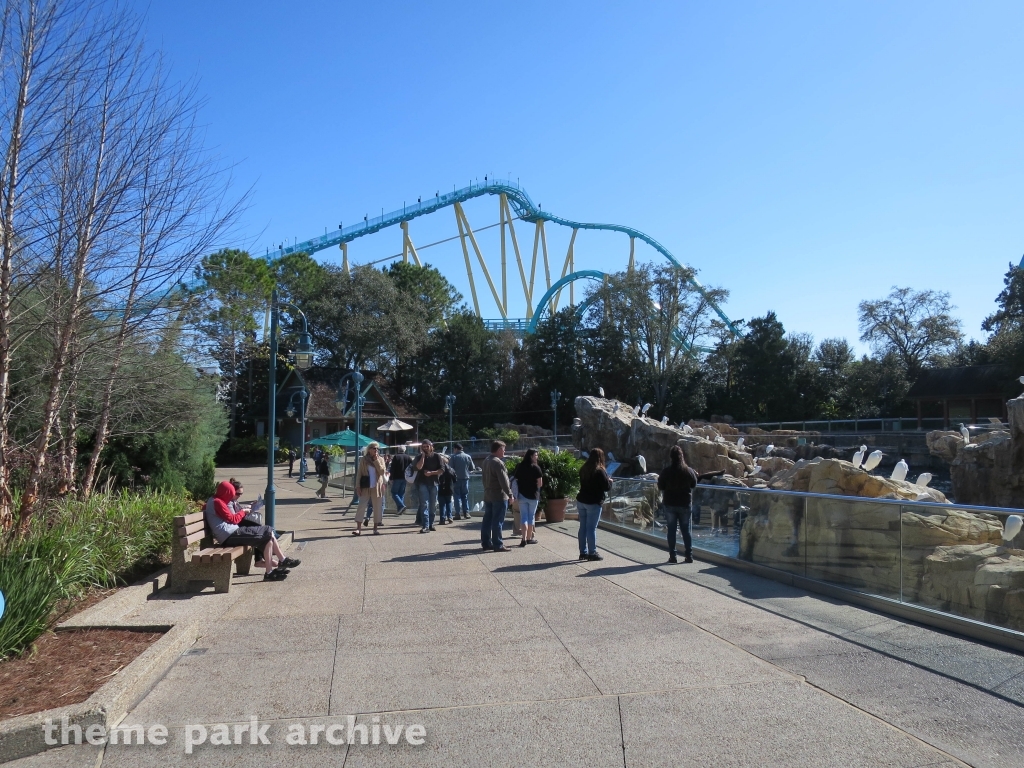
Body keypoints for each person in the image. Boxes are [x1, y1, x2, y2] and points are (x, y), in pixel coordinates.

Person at [205, 481, 299, 581]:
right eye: (230, 494)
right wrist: (243, 511)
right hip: (229, 535)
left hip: (232, 533)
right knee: (268, 531)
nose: (231, 497)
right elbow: (233, 519)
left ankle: (270, 571)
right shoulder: (217, 502)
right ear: (225, 492)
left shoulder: (216, 500)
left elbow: (228, 517)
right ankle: (281, 562)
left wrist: (244, 510)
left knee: (268, 537)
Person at [576, 448, 612, 561]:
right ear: (601, 458)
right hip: (593, 502)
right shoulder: (600, 471)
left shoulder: (584, 469)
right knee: (591, 529)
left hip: (581, 500)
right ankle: (592, 553)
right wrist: (610, 481)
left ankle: (583, 552)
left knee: (583, 527)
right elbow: (606, 487)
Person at [481, 440, 512, 552]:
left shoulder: (486, 461)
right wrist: (510, 495)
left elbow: (483, 478)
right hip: (499, 495)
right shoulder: (497, 463)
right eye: (503, 449)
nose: (504, 452)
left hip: (488, 494)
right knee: (498, 521)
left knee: (487, 520)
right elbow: (504, 481)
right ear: (499, 450)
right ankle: (498, 544)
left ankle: (486, 543)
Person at [353, 442, 389, 535]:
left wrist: (376, 460)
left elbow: (382, 472)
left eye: (377, 449)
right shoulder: (364, 460)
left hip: (377, 487)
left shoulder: (380, 459)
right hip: (365, 486)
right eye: (373, 448)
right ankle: (358, 529)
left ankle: (375, 528)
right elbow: (359, 473)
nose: (376, 450)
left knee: (377, 508)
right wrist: (357, 486)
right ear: (369, 449)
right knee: (361, 506)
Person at [512, 449, 543, 548]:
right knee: (531, 517)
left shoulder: (519, 466)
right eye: (535, 455)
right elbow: (540, 483)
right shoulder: (536, 468)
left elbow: (515, 479)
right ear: (531, 456)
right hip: (533, 496)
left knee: (524, 517)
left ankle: (523, 539)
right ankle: (529, 538)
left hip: (521, 495)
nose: (537, 457)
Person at [413, 440, 443, 533]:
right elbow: (418, 467)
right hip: (422, 483)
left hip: (434, 483)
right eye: (424, 446)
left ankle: (431, 524)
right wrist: (422, 456)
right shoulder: (419, 457)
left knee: (433, 505)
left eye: (427, 446)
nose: (425, 448)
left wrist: (432, 473)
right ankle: (425, 525)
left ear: (431, 446)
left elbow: (442, 470)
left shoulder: (437, 456)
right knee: (424, 504)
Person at [448, 443, 476, 520]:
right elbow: (472, 468)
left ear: (456, 449)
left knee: (457, 496)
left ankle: (457, 513)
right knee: (465, 496)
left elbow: (450, 469)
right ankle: (466, 513)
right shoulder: (468, 457)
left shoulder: (453, 457)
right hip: (466, 479)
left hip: (456, 479)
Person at [389, 447, 412, 514]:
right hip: (405, 477)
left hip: (397, 477)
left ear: (398, 450)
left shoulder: (396, 457)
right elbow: (412, 467)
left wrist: (391, 478)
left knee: (394, 493)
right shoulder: (408, 457)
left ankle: (401, 506)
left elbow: (392, 468)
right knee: (401, 494)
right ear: (405, 450)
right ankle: (400, 510)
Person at [437, 456, 456, 524]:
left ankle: (442, 519)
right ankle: (450, 517)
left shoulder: (439, 470)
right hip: (449, 488)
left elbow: (436, 479)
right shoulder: (451, 469)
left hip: (441, 488)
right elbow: (455, 479)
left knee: (442, 504)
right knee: (449, 502)